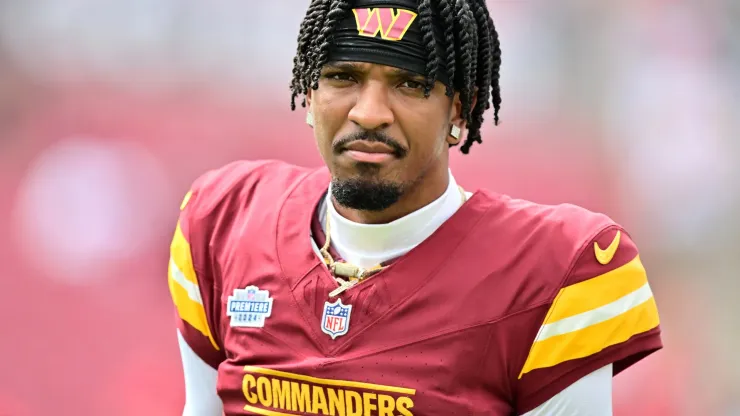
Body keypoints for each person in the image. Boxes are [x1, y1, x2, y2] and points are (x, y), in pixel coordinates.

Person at [167, 0, 663, 414]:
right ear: (310, 92)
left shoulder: (554, 270)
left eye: (410, 84)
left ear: (459, 109)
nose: (369, 113)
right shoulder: (225, 222)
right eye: (343, 76)